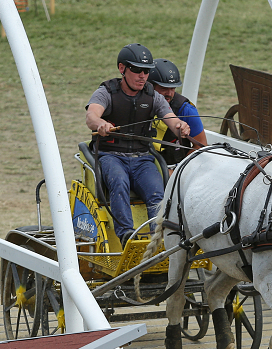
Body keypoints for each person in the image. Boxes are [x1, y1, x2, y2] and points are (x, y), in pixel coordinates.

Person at [85, 43, 190, 246]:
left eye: (146, 71)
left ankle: (158, 240)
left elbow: (171, 119)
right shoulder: (106, 92)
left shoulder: (153, 96)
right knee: (118, 182)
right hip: (111, 156)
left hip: (142, 159)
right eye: (137, 70)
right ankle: (127, 236)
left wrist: (181, 127)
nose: (143, 75)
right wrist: (101, 124)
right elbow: (91, 116)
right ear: (122, 68)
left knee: (157, 192)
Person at [148, 58, 207, 165]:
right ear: (150, 86)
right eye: (163, 88)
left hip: (173, 167)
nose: (169, 93)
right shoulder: (138, 102)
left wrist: (179, 170)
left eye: (173, 88)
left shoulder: (186, 110)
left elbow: (201, 145)